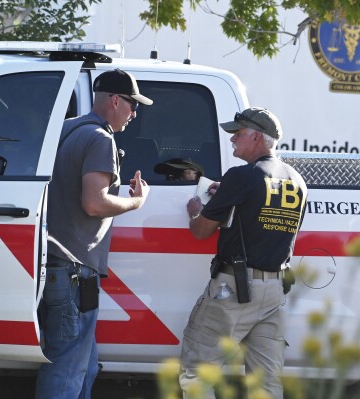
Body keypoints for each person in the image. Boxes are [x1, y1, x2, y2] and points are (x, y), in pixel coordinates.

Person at [35, 69, 153, 399]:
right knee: (66, 370)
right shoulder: (101, 139)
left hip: (58, 267)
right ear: (116, 100)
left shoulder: (68, 130)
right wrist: (135, 202)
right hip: (74, 273)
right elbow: (93, 202)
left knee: (84, 366)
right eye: (132, 105)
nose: (134, 113)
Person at [179, 107, 308, 398]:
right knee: (266, 384)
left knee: (197, 372)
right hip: (275, 291)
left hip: (234, 289)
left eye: (238, 134)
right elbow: (263, 211)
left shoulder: (241, 176)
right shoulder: (296, 180)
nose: (232, 139)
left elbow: (201, 230)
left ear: (257, 138)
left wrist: (196, 211)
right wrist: (229, 193)